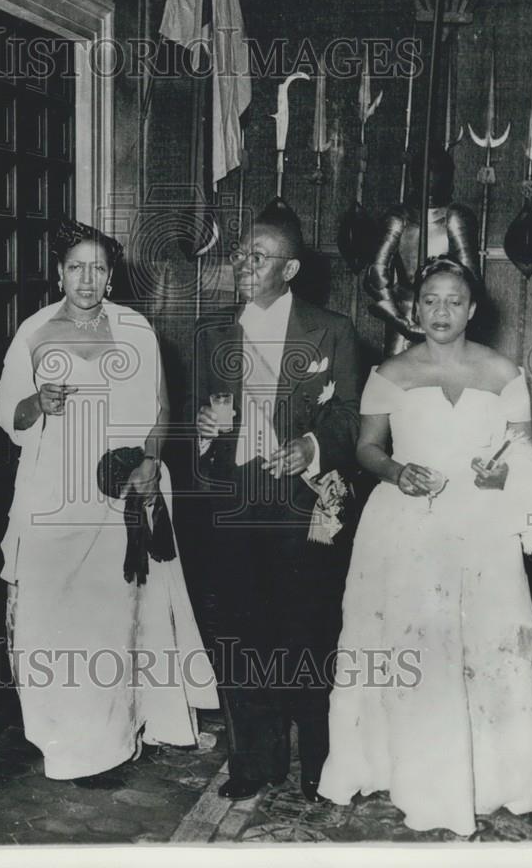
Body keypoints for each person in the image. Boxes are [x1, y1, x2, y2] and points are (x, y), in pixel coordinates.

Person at [318, 256, 532, 836]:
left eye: (453, 301)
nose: (441, 311)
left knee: (481, 644)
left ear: (473, 309)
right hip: (406, 524)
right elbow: (367, 449)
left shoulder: (502, 371)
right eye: (429, 300)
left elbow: (524, 455)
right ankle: (409, 771)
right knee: (412, 643)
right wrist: (398, 473)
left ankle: (498, 773)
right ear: (414, 308)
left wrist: (498, 474)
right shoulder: (389, 373)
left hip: (479, 526)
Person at [0, 218, 218, 785]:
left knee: (115, 618)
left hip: (122, 491)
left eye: (97, 268)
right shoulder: (34, 332)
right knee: (53, 617)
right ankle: (66, 739)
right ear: (60, 273)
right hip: (53, 494)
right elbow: (7, 414)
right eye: (76, 267)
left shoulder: (136, 330)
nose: (86, 279)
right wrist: (38, 401)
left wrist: (148, 463)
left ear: (111, 275)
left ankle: (116, 737)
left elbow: (162, 408)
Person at [193, 199, 361, 802]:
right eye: (241, 253)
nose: (243, 263)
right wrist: (205, 427)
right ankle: (251, 760)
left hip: (299, 506)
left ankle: (318, 761)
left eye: (258, 257)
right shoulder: (212, 330)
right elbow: (193, 423)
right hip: (231, 505)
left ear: (289, 270)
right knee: (239, 635)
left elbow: (351, 419)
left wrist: (311, 446)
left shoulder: (332, 329)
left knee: (306, 634)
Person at [365, 146, 479, 356]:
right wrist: (399, 320)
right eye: (426, 171)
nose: (432, 178)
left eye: (438, 171)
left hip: (447, 314)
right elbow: (376, 274)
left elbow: (469, 279)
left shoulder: (456, 217)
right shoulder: (399, 218)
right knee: (394, 379)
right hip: (403, 311)